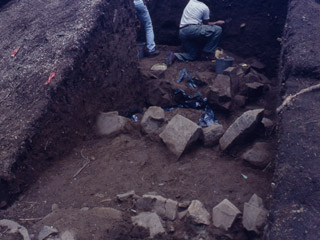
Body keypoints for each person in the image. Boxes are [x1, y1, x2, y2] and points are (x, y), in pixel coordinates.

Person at [166, 0, 224, 65]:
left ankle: (174, 56)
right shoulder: (205, 7)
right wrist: (216, 23)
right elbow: (206, 24)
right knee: (218, 29)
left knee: (193, 55)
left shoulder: (191, 1)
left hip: (182, 32)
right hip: (192, 30)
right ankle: (208, 53)